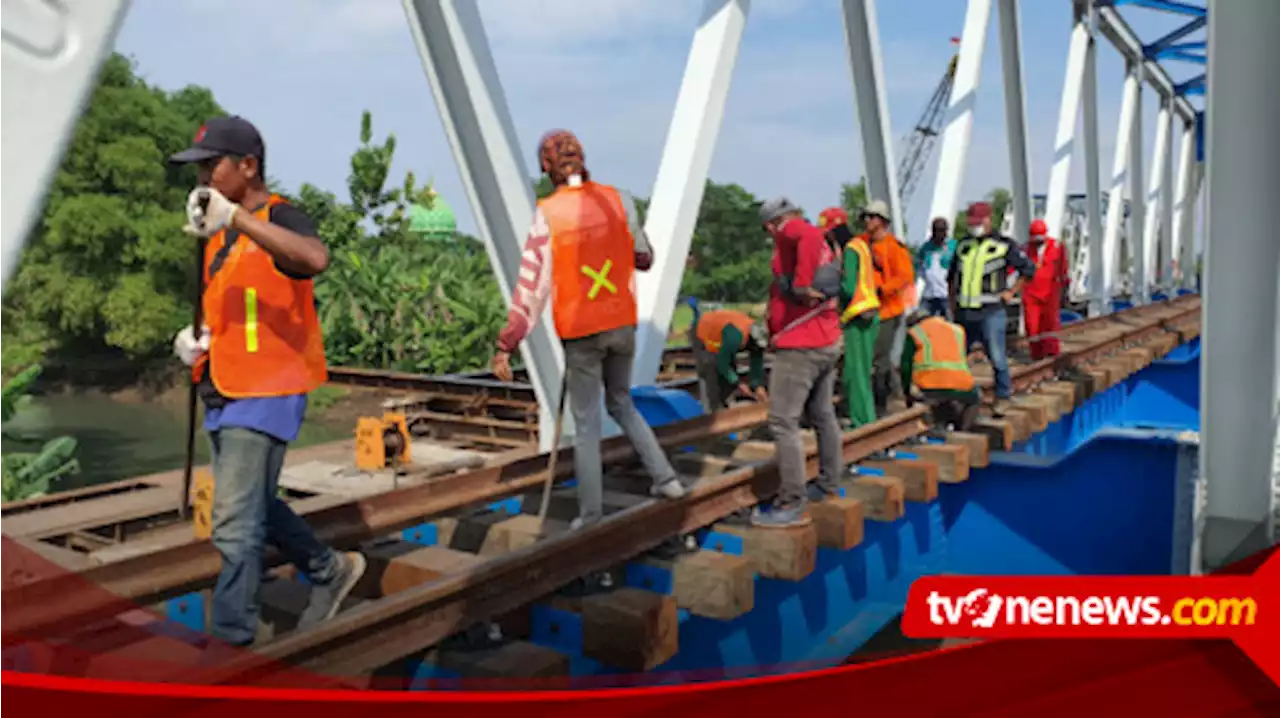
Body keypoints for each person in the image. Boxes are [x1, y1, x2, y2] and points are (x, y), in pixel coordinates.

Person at [168, 115, 366, 647]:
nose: (203, 180)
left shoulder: (281, 217)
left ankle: (232, 641)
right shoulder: (217, 236)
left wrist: (237, 216)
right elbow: (232, 307)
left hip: (270, 388)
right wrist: (196, 338)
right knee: (249, 502)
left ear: (248, 166)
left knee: (233, 521)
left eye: (212, 167)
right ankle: (329, 570)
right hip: (224, 384)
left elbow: (313, 258)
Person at [489, 129, 685, 531]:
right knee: (622, 403)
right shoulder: (619, 199)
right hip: (622, 325)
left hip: (582, 331)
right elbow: (644, 256)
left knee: (587, 424)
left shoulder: (549, 213)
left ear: (547, 168)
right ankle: (667, 481)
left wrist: (506, 344)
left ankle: (592, 515)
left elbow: (532, 285)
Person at [756, 196, 845, 528]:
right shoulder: (824, 245)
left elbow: (805, 236)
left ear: (771, 223)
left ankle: (792, 503)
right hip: (826, 338)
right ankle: (830, 482)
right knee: (823, 414)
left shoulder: (792, 231)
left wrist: (802, 283)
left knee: (782, 421)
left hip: (801, 345)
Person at [948, 202, 1036, 416]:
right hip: (964, 312)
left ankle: (1003, 396)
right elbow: (952, 278)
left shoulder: (1004, 246)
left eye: (978, 222)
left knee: (997, 356)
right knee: (956, 358)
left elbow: (1028, 269)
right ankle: (958, 397)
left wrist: (1011, 291)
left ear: (989, 220)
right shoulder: (963, 246)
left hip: (991, 310)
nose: (975, 227)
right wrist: (952, 305)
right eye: (972, 223)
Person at [817, 207, 879, 429]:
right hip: (869, 313)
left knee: (855, 372)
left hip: (858, 316)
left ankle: (861, 421)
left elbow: (849, 287)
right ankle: (866, 417)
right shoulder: (862, 245)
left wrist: (826, 290)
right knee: (861, 371)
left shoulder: (851, 250)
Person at [862, 199, 915, 417]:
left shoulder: (894, 248)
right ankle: (892, 396)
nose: (866, 221)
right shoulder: (864, 244)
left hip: (887, 310)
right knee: (873, 358)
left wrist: (882, 290)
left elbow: (904, 277)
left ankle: (885, 400)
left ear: (882, 221)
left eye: (871, 217)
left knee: (880, 358)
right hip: (867, 310)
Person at [900, 309, 981, 437]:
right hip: (963, 385)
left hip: (931, 387)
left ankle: (939, 426)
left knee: (936, 399)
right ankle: (963, 430)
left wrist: (906, 394)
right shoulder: (957, 330)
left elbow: (906, 366)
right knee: (974, 399)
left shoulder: (915, 332)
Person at [689, 306, 768, 411]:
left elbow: (757, 363)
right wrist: (738, 382)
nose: (757, 348)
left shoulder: (756, 339)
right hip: (703, 329)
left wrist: (758, 386)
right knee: (710, 365)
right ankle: (714, 408)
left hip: (723, 332)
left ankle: (727, 400)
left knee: (729, 365)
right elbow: (722, 362)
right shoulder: (736, 336)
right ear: (751, 338)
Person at [1023, 219, 1069, 359]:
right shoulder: (1025, 249)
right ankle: (1036, 354)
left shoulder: (1057, 246)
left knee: (1050, 323)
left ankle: (1051, 353)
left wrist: (1065, 287)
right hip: (1031, 292)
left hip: (1051, 291)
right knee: (1032, 325)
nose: (1038, 242)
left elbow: (1063, 268)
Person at [916, 217, 957, 318]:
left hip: (946, 295)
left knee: (949, 323)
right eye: (936, 230)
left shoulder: (953, 246)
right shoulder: (925, 248)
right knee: (921, 322)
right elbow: (918, 265)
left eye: (941, 230)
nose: (939, 233)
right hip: (929, 294)